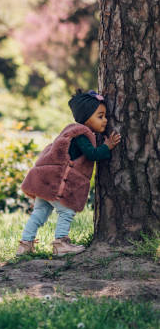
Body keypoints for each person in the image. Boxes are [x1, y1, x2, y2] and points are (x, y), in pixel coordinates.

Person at [16, 89, 121, 257]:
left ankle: (25, 244)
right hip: (56, 182)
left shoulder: (71, 131)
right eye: (100, 116)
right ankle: (61, 243)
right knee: (66, 211)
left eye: (105, 116)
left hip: (45, 180)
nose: (106, 120)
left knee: (39, 213)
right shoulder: (81, 134)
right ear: (86, 118)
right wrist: (107, 146)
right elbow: (92, 154)